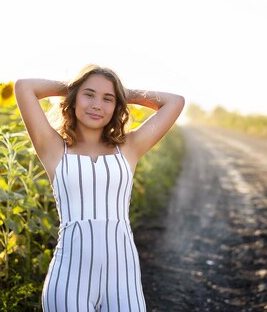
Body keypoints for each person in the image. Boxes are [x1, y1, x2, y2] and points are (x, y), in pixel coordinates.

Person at [14, 64, 185, 312]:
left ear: (117, 106)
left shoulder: (129, 147)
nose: (97, 105)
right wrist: (74, 86)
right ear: (73, 100)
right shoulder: (52, 149)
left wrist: (122, 91)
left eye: (108, 99)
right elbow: (24, 87)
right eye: (89, 94)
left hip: (123, 278)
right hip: (69, 279)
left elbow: (175, 102)